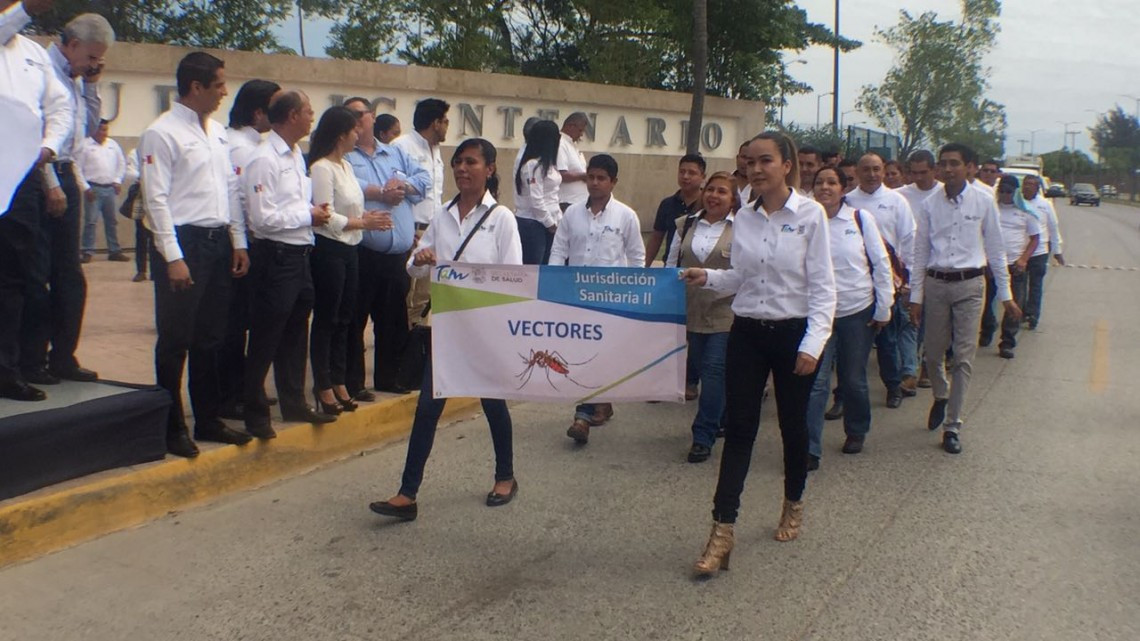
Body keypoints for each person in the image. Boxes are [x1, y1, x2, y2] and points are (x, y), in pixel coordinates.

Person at [684, 132, 835, 576]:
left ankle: (793, 501)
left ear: (787, 165)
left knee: (792, 427)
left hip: (794, 334)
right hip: (747, 332)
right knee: (740, 430)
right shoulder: (745, 217)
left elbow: (824, 288)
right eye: (750, 161)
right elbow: (740, 277)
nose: (755, 169)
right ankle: (722, 531)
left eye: (765, 160)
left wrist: (812, 344)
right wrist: (707, 277)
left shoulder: (810, 215)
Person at [369, 138, 523, 521]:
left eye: (471, 162)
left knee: (493, 405)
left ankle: (505, 476)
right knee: (426, 409)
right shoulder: (443, 215)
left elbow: (514, 278)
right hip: (447, 331)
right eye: (457, 162)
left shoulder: (501, 218)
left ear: (490, 169)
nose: (462, 169)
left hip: (484, 332)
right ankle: (407, 494)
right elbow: (413, 267)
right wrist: (422, 258)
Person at [139, 52, 251, 457]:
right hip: (183, 242)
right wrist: (173, 256)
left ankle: (208, 417)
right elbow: (155, 198)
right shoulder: (161, 133)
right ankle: (171, 427)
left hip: (217, 240)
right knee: (175, 339)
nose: (224, 92)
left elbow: (230, 189)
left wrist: (238, 240)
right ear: (196, 86)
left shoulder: (217, 132)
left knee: (211, 337)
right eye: (218, 84)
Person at [21, 12, 113, 387]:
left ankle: (63, 356)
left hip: (67, 172)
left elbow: (87, 131)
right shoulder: (41, 70)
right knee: (35, 273)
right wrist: (49, 183)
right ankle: (31, 359)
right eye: (91, 57)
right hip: (39, 173)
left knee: (69, 275)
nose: (94, 64)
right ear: (72, 45)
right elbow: (35, 134)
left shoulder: (77, 79)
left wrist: (91, 84)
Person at [909, 143, 1019, 455]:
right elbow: (920, 252)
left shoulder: (983, 201)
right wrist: (916, 296)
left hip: (970, 285)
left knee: (963, 358)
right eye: (943, 163)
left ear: (969, 167)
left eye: (954, 163)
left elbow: (996, 249)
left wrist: (1006, 296)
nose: (948, 169)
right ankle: (941, 395)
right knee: (933, 355)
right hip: (937, 284)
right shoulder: (930, 204)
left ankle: (953, 425)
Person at [241, 90, 338, 439]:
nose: (312, 117)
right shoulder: (264, 159)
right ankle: (255, 413)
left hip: (300, 254)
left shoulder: (296, 155)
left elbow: (292, 206)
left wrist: (311, 214)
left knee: (296, 333)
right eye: (308, 111)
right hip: (276, 256)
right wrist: (307, 216)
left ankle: (294, 401)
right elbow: (261, 218)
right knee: (266, 335)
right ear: (293, 115)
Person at [0, 0, 71, 402]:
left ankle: (6, 370)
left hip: (20, 175)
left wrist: (47, 147)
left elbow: (60, 106)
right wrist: (25, 9)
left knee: (15, 276)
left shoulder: (33, 53)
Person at [550, 154, 645, 445]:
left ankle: (584, 414)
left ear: (613, 182)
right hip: (576, 297)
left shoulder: (625, 216)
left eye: (601, 178)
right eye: (591, 177)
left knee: (601, 354)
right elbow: (559, 250)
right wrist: (554, 285)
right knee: (582, 354)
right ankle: (595, 405)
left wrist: (634, 295)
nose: (594, 183)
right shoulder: (571, 214)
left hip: (610, 299)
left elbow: (636, 257)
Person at [806, 166, 894, 470]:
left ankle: (857, 429)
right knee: (816, 382)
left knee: (853, 378)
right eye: (820, 182)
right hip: (818, 314)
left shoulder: (859, 219)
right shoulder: (807, 220)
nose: (825, 187)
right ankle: (809, 447)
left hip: (856, 311)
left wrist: (884, 307)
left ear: (843, 189)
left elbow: (881, 263)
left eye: (832, 182)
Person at [308, 106, 392, 416]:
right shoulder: (322, 168)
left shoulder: (345, 166)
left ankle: (339, 378)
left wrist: (366, 217)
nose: (359, 134)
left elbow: (351, 206)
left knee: (346, 318)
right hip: (329, 249)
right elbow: (325, 215)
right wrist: (362, 223)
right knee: (327, 318)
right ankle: (323, 383)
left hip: (351, 248)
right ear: (340, 134)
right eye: (354, 130)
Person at [344, 97, 430, 397]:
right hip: (363, 251)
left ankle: (390, 378)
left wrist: (402, 186)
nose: (356, 120)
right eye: (350, 115)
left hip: (397, 255)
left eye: (361, 114)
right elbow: (348, 187)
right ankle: (353, 383)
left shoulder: (395, 153)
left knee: (393, 319)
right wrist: (381, 192)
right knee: (355, 320)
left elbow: (424, 181)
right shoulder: (345, 156)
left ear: (372, 116)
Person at [218, 78, 281, 419]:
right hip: (241, 244)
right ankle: (233, 394)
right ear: (258, 113)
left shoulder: (252, 144)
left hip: (245, 241)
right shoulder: (241, 148)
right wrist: (241, 243)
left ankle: (243, 389)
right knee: (234, 324)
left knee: (241, 322)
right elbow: (240, 202)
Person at [664, 171, 736, 463]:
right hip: (690, 310)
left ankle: (702, 436)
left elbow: (744, 271)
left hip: (724, 312)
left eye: (722, 191)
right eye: (711, 190)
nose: (714, 196)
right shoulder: (686, 224)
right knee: (697, 366)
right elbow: (671, 264)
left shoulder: (742, 229)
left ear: (733, 199)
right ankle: (722, 415)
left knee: (713, 371)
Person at [845, 151, 917, 408]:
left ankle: (893, 387)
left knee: (887, 341)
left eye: (877, 169)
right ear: (857, 172)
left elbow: (908, 240)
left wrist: (907, 279)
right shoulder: (847, 201)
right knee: (849, 348)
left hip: (888, 281)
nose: (872, 174)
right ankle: (843, 396)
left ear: (884, 171)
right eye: (866, 169)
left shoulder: (897, 201)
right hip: (854, 282)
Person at [392, 99, 449, 325]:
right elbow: (395, 191)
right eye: (445, 121)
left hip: (432, 232)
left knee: (424, 299)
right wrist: (408, 229)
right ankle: (401, 344)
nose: (447, 127)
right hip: (410, 233)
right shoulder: (401, 146)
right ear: (435, 123)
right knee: (404, 296)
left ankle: (417, 343)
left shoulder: (436, 150)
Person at [896, 149, 943, 389]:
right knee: (910, 319)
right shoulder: (900, 196)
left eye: (923, 172)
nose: (918, 178)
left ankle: (927, 364)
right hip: (909, 267)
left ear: (934, 170)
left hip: (937, 268)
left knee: (932, 322)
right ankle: (910, 368)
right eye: (913, 173)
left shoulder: (944, 194)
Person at [979, 175, 1039, 359]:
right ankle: (987, 329)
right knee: (987, 302)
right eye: (1002, 191)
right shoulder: (991, 210)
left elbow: (1035, 239)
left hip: (1015, 264)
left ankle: (1007, 342)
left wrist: (1024, 259)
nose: (1005, 195)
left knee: (1014, 303)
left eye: (1009, 191)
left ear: (1015, 192)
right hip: (991, 264)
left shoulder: (1026, 212)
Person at [512, 119, 562, 264]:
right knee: (533, 268)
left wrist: (559, 221)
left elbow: (553, 197)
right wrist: (550, 224)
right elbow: (536, 200)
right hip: (533, 224)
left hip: (550, 222)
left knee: (548, 266)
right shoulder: (533, 165)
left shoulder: (549, 164)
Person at [77, 119, 127, 262]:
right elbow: (77, 168)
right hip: (93, 189)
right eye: (100, 129)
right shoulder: (85, 145)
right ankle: (87, 251)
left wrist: (117, 180)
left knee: (111, 221)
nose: (103, 133)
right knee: (91, 222)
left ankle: (114, 251)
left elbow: (121, 164)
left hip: (110, 189)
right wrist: (85, 188)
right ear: (94, 130)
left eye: (105, 130)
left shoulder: (113, 145)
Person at [645, 153, 705, 267]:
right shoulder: (667, 204)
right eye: (682, 172)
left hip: (698, 269)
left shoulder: (708, 205)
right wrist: (644, 267)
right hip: (671, 268)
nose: (685, 176)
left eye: (691, 173)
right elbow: (656, 238)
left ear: (703, 176)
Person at [1021, 174, 1064, 330]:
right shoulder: (1017, 202)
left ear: (1037, 188)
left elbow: (1053, 228)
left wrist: (1057, 251)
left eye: (1031, 184)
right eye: (1026, 183)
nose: (1028, 186)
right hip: (1020, 251)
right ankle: (1020, 312)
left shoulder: (1045, 205)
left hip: (1039, 252)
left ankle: (1033, 314)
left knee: (1036, 284)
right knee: (1019, 285)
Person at [122, 147, 153, 282]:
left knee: (157, 236)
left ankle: (156, 271)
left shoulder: (160, 150)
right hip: (141, 193)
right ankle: (141, 271)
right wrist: (144, 177)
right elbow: (130, 172)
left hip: (159, 193)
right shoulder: (135, 152)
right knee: (141, 234)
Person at [556, 112, 590, 210]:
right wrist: (584, 176)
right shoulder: (560, 143)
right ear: (571, 126)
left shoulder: (571, 144)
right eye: (580, 130)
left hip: (579, 202)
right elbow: (561, 174)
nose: (581, 134)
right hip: (567, 203)